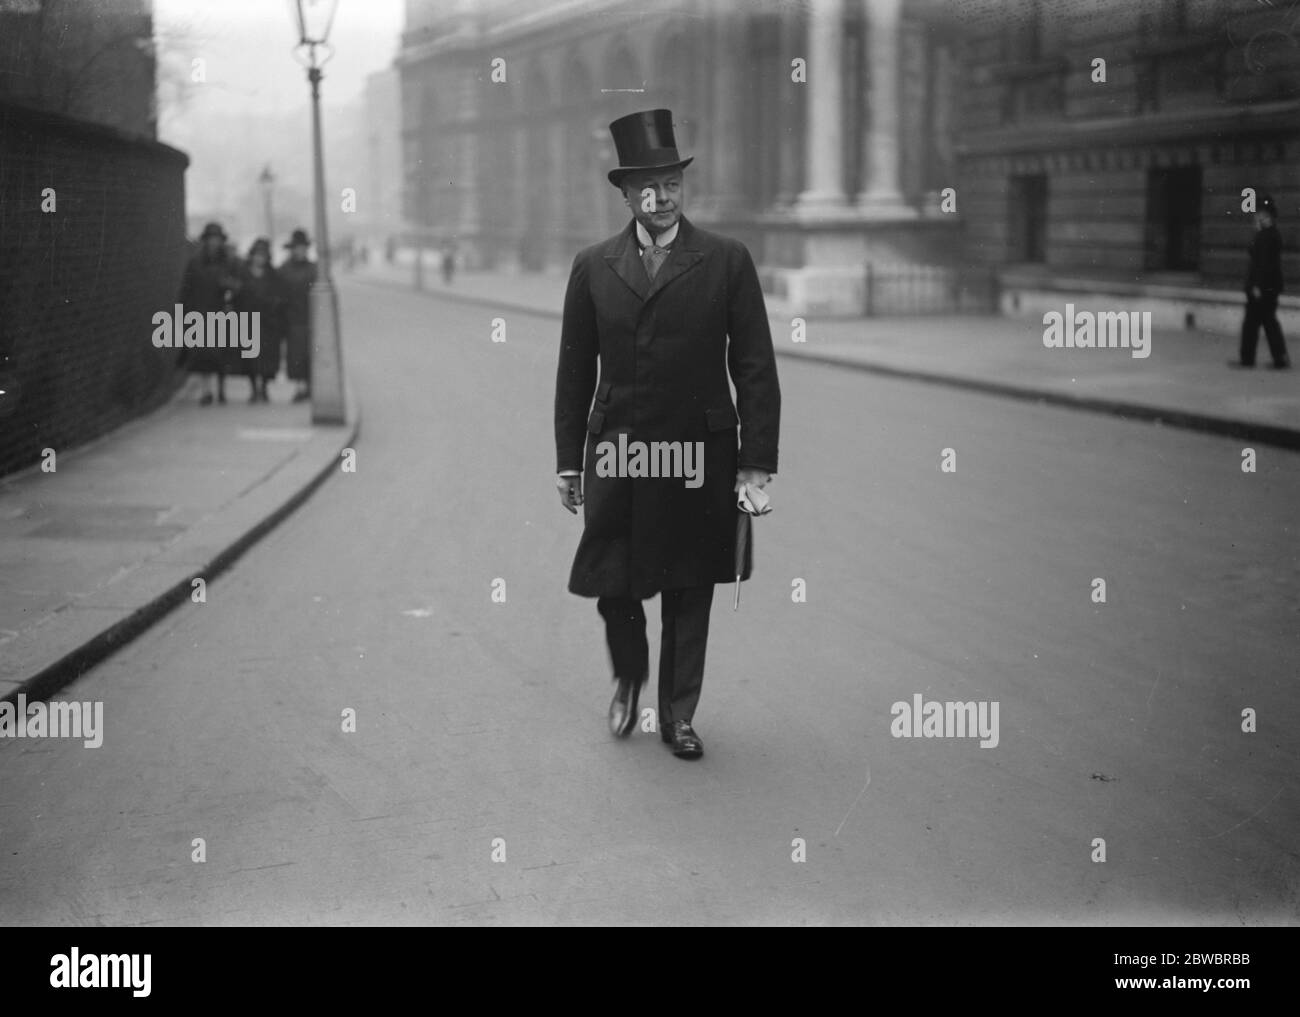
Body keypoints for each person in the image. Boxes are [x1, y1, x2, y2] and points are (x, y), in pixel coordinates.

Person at [553, 109, 781, 760]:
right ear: (626, 195)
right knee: (613, 584)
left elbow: (756, 365)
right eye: (647, 186)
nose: (661, 196)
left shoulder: (727, 261)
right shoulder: (594, 266)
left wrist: (754, 463)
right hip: (619, 456)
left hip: (699, 457)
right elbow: (575, 369)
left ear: (683, 188)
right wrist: (570, 460)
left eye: (672, 182)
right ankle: (630, 674)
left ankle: (678, 714)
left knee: (689, 586)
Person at [178, 222, 242, 405]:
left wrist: (229, 286)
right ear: (205, 241)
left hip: (221, 312)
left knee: (222, 353)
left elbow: (238, 285)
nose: (214, 243)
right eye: (211, 239)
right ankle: (207, 391)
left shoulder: (229, 262)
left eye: (217, 239)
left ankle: (221, 389)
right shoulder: (195, 262)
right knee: (203, 355)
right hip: (200, 313)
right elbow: (186, 287)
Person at [1235, 194, 1289, 369]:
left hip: (1262, 287)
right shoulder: (1271, 234)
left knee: (1254, 324)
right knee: (1267, 322)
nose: (1256, 216)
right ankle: (1278, 358)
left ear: (1266, 215)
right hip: (1269, 287)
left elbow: (1263, 263)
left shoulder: (1266, 235)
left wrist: (1257, 285)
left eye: (1259, 213)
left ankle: (1249, 359)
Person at [235, 237, 283, 402]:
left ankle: (264, 387)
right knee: (250, 358)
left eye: (262, 255)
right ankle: (254, 389)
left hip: (267, 323)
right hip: (248, 322)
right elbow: (237, 296)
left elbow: (279, 296)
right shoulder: (243, 273)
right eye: (257, 255)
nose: (259, 258)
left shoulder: (272, 275)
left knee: (267, 358)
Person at [279, 228, 317, 403]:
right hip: (292, 319)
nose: (300, 251)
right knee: (296, 356)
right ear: (292, 249)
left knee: (311, 354)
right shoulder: (284, 270)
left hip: (312, 319)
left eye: (302, 248)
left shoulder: (314, 270)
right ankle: (300, 387)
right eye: (297, 248)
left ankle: (309, 386)